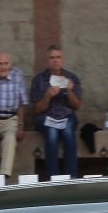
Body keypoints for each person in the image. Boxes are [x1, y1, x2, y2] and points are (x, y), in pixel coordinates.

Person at [30, 44, 84, 178]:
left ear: (62, 59)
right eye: (52, 57)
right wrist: (47, 96)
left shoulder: (71, 78)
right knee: (52, 133)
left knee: (68, 132)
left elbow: (77, 106)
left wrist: (69, 91)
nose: (55, 60)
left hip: (67, 117)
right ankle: (52, 177)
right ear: (47, 60)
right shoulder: (39, 79)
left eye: (58, 57)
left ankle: (71, 177)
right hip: (46, 117)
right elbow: (37, 109)